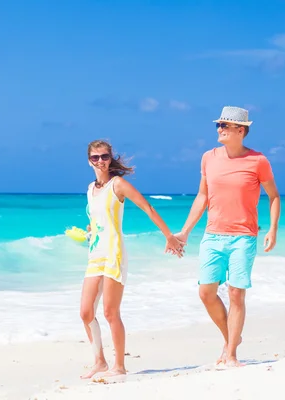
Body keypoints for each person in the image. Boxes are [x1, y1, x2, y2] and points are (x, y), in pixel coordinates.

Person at [173, 106, 281, 367]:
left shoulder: (258, 161)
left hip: (243, 237)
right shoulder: (208, 158)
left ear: (241, 131)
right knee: (206, 293)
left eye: (225, 125)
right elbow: (202, 196)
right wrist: (185, 232)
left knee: (236, 294)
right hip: (212, 236)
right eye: (218, 125)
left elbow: (274, 196)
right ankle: (231, 338)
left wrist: (272, 229)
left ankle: (231, 353)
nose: (219, 129)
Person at [80, 139, 184, 379]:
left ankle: (119, 365)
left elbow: (147, 207)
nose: (100, 161)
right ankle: (100, 361)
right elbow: (97, 218)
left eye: (104, 156)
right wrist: (90, 229)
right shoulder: (90, 189)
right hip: (95, 253)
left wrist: (169, 236)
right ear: (89, 161)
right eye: (95, 158)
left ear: (110, 158)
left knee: (110, 312)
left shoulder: (118, 185)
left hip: (114, 252)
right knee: (86, 313)